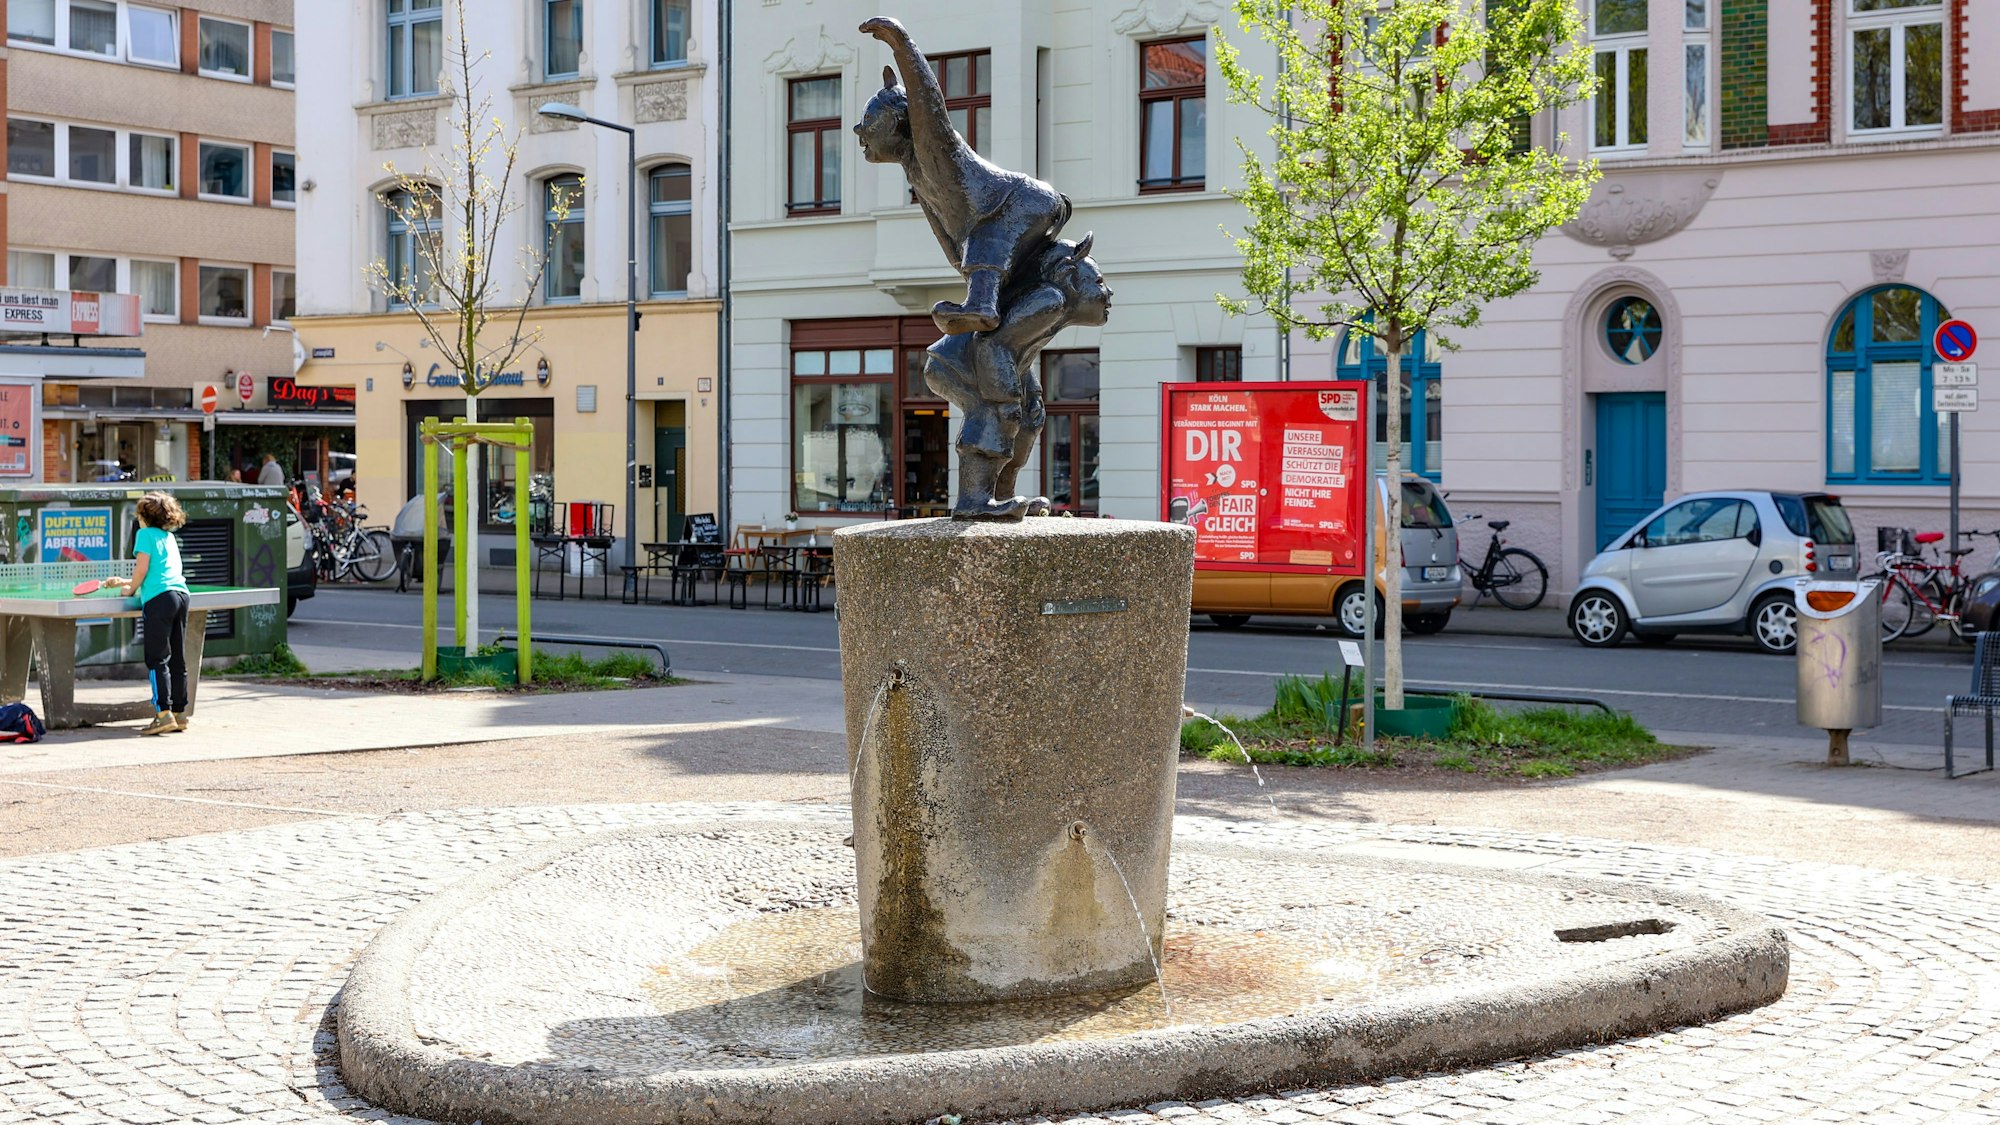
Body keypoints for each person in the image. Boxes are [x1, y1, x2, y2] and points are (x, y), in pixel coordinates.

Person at [855, 17, 1072, 336]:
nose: (860, 130)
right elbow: (946, 232)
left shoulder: (934, 152)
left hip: (1025, 201)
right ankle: (991, 306)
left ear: (897, 124)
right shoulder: (916, 170)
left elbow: (926, 104)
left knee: (986, 233)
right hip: (1026, 204)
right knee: (983, 244)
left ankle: (982, 306)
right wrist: (962, 267)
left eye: (869, 121)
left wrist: (903, 46)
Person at [101, 492, 191, 737]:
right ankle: (180, 714)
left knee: (156, 658)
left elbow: (142, 568)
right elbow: (158, 572)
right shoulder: (169, 538)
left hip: (159, 601)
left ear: (143, 516)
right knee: (177, 657)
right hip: (181, 596)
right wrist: (126, 581)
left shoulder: (143, 535)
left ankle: (163, 714)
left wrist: (130, 588)